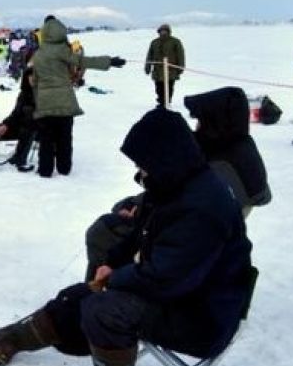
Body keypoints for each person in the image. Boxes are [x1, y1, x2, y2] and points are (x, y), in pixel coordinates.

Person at [0, 108, 255, 366]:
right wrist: (111, 265)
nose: (140, 172)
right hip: (178, 296)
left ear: (164, 158)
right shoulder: (172, 187)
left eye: (143, 164)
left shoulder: (203, 207)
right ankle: (9, 340)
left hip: (202, 316)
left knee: (106, 309)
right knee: (77, 295)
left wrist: (116, 279)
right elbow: (137, 237)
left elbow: (166, 278)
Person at [82, 86, 271, 284]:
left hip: (182, 239)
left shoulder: (223, 167)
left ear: (216, 123)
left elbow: (185, 206)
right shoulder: (233, 144)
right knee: (122, 209)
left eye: (201, 122)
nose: (197, 127)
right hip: (183, 226)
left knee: (103, 231)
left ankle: (97, 286)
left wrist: (140, 213)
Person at [31, 16, 125, 177]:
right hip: (65, 101)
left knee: (46, 139)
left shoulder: (38, 54)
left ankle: (45, 170)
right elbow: (83, 61)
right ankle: (64, 168)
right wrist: (109, 61)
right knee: (64, 138)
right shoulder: (63, 50)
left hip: (45, 103)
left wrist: (38, 102)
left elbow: (35, 81)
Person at [145, 23, 186, 105]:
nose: (163, 33)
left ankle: (167, 102)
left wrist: (180, 67)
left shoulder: (175, 41)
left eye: (165, 31)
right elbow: (149, 55)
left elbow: (180, 55)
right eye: (162, 31)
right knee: (158, 87)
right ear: (159, 32)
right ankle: (161, 101)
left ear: (169, 32)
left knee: (169, 87)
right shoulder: (154, 42)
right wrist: (147, 67)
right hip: (157, 70)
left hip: (171, 70)